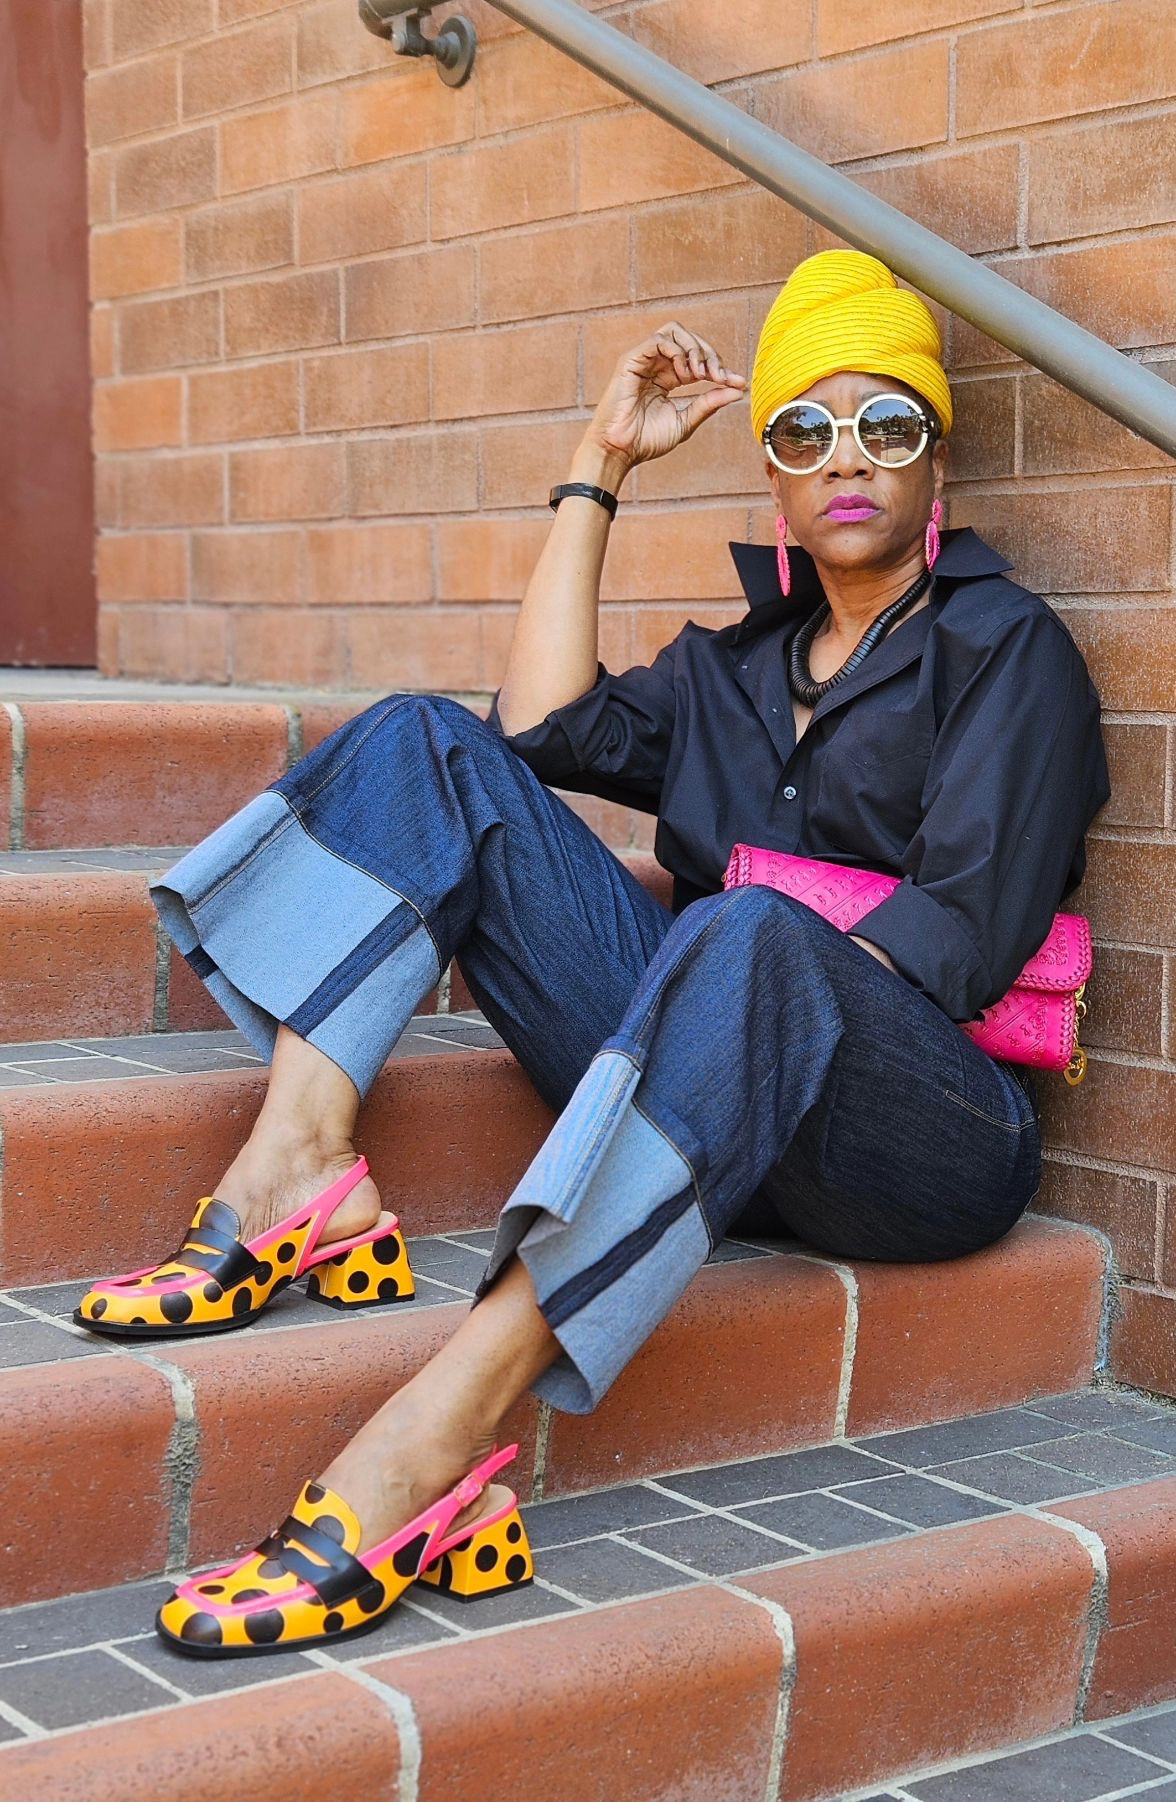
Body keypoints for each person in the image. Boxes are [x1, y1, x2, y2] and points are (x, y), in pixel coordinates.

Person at [74, 250, 1109, 1657]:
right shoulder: (741, 666)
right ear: (775, 476)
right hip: (702, 1094)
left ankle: (437, 1434)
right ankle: (297, 1164)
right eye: (806, 429)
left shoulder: (1006, 651)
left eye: (890, 425)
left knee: (750, 935)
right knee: (425, 739)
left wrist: (751, 940)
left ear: (937, 463)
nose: (847, 458)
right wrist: (599, 468)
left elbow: (958, 944)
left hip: (921, 1133)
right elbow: (541, 725)